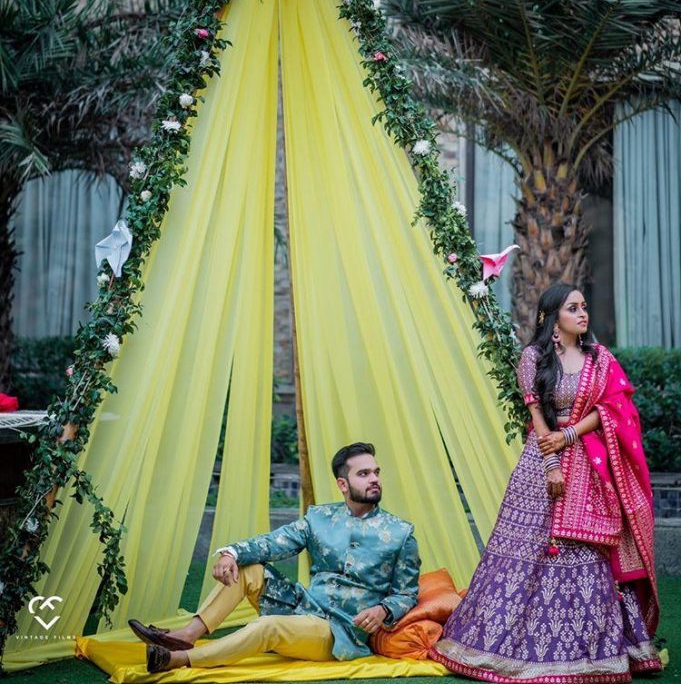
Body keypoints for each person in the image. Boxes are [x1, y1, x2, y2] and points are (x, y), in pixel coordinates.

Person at [430, 281, 661, 684]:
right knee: (526, 551)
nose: (583, 313)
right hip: (541, 465)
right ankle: (509, 647)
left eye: (584, 307)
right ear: (551, 317)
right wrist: (552, 464)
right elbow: (538, 419)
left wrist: (571, 436)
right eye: (573, 308)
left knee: (588, 554)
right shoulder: (533, 358)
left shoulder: (599, 358)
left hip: (589, 465)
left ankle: (595, 654)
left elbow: (613, 407)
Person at [128, 442, 420, 673]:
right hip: (302, 606)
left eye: (376, 472)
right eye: (364, 474)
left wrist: (383, 609)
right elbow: (274, 542)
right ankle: (189, 634)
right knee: (248, 568)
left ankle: (179, 658)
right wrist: (231, 553)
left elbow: (407, 593)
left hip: (338, 633)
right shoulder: (319, 517)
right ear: (343, 484)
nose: (374, 480)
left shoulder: (401, 533)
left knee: (269, 626)